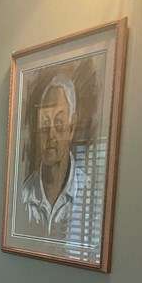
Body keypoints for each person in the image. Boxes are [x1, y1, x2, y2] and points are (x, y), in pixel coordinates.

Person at [20, 75, 87, 238]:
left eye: (58, 123)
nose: (51, 135)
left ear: (71, 127)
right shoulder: (25, 193)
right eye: (45, 123)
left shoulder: (85, 189)